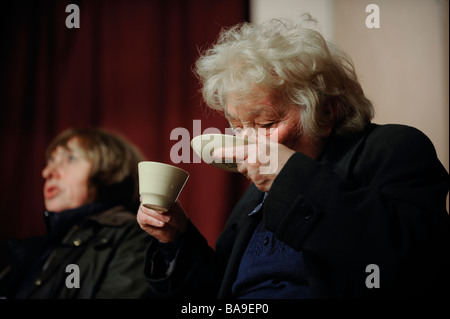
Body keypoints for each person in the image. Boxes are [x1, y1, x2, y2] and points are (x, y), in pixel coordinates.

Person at [137, 15, 450, 298]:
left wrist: (291, 179)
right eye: (237, 126)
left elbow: (412, 266)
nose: (246, 141)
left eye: (266, 123)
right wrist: (175, 239)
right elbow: (220, 293)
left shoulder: (392, 148)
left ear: (325, 113)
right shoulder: (253, 198)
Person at [0, 127, 154, 298]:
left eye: (70, 158)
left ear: (109, 171)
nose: (47, 172)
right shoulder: (37, 251)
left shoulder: (133, 236)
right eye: (50, 162)